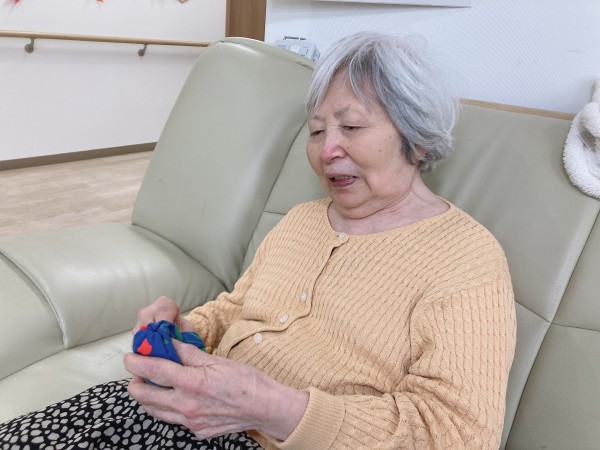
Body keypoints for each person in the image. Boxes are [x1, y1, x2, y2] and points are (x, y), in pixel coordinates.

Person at [0, 31, 516, 449]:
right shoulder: (302, 220)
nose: (326, 150)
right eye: (317, 131)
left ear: (417, 140)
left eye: (351, 127)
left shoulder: (465, 259)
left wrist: (274, 408)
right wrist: (185, 329)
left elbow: (459, 435)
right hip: (179, 409)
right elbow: (236, 307)